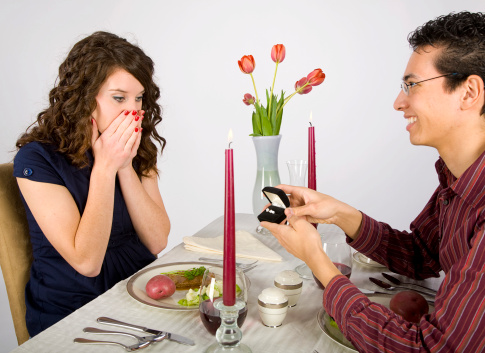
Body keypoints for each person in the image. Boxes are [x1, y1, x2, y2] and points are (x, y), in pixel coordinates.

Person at [262, 11, 485, 352]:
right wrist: (340, 213)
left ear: (469, 92)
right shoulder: (457, 179)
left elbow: (430, 349)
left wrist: (317, 260)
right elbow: (423, 256)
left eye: (412, 85)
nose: (399, 103)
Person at [13, 31, 170, 337]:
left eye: (138, 98)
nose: (134, 112)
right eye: (119, 98)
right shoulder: (36, 159)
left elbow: (157, 240)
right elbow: (86, 263)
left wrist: (125, 166)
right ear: (85, 97)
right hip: (72, 313)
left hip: (138, 298)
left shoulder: (137, 147)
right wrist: (105, 168)